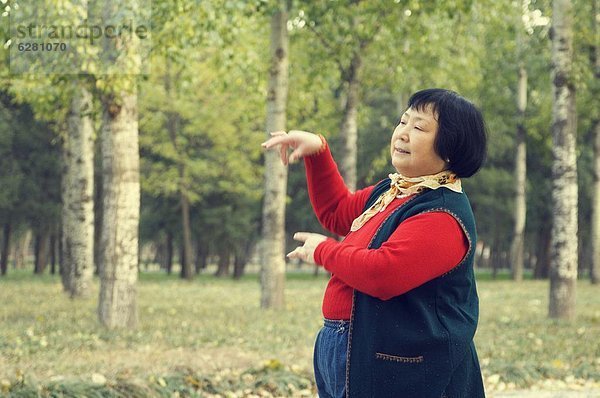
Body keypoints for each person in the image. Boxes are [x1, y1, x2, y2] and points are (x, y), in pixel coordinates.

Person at [261, 88, 487, 398]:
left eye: (419, 127)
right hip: (347, 344)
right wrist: (317, 153)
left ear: (451, 148)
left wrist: (323, 250)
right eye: (403, 121)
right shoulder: (394, 191)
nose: (403, 134)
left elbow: (383, 274)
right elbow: (338, 212)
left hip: (397, 365)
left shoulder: (443, 216)